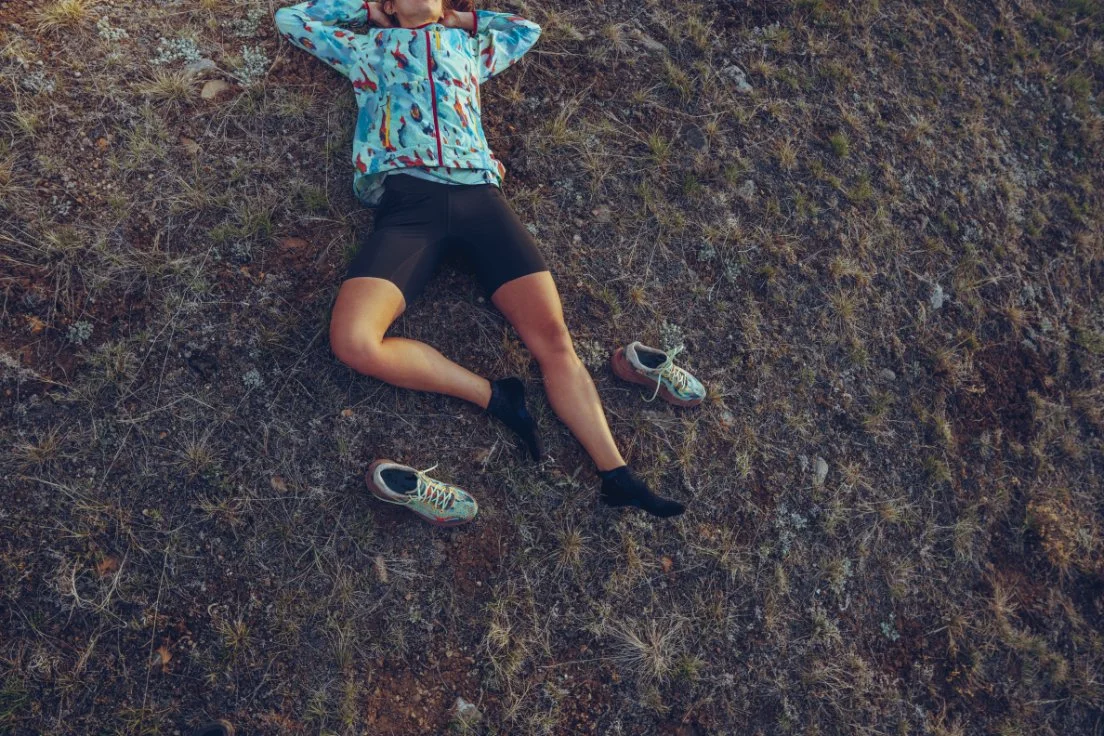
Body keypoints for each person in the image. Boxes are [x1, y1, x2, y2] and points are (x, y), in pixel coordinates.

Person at [273, 0, 705, 524]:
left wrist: (467, 21)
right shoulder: (365, 47)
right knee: (354, 342)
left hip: (482, 200)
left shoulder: (470, 48)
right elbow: (291, 20)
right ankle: (497, 397)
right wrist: (364, 10)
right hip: (410, 208)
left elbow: (528, 29)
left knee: (554, 340)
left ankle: (617, 476)